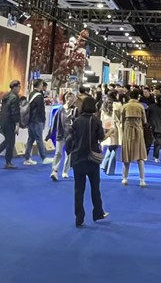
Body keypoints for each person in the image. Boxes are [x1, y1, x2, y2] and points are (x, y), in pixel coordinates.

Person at [69, 96, 109, 227]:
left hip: (78, 158)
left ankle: (79, 217)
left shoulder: (76, 121)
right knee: (95, 188)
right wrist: (110, 133)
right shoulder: (96, 121)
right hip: (92, 159)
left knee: (78, 190)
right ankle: (98, 212)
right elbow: (101, 137)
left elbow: (72, 137)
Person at [120, 90, 148, 187]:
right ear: (138, 97)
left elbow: (122, 120)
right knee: (140, 156)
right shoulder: (140, 106)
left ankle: (124, 178)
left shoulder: (125, 106)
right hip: (138, 132)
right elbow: (144, 121)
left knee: (126, 155)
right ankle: (142, 180)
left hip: (127, 131)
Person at [0, 80, 21, 169]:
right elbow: (15, 112)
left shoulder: (6, 96)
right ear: (14, 87)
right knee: (10, 142)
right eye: (19, 87)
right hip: (10, 123)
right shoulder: (14, 98)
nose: (19, 89)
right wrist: (17, 124)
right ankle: (6, 161)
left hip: (4, 121)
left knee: (8, 141)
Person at [50, 92, 76, 181]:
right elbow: (54, 121)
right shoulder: (60, 109)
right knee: (58, 153)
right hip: (60, 133)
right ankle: (54, 171)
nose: (70, 100)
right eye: (69, 98)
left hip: (70, 135)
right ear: (66, 99)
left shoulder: (75, 110)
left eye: (72, 99)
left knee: (69, 154)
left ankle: (65, 171)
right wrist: (51, 133)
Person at [24, 79, 49, 165]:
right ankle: (43, 158)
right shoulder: (39, 96)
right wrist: (43, 119)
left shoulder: (31, 94)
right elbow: (41, 109)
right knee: (39, 139)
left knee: (31, 139)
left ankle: (27, 158)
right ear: (39, 85)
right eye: (42, 84)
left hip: (31, 120)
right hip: (37, 120)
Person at [100, 91, 121, 176]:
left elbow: (102, 117)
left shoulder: (104, 104)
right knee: (114, 147)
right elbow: (121, 117)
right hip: (115, 125)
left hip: (107, 123)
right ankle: (109, 169)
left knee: (111, 146)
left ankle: (104, 164)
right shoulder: (118, 105)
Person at [146, 94, 161, 163]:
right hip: (159, 127)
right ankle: (156, 157)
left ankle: (146, 156)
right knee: (157, 143)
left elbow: (147, 117)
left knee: (148, 142)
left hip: (150, 126)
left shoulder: (151, 107)